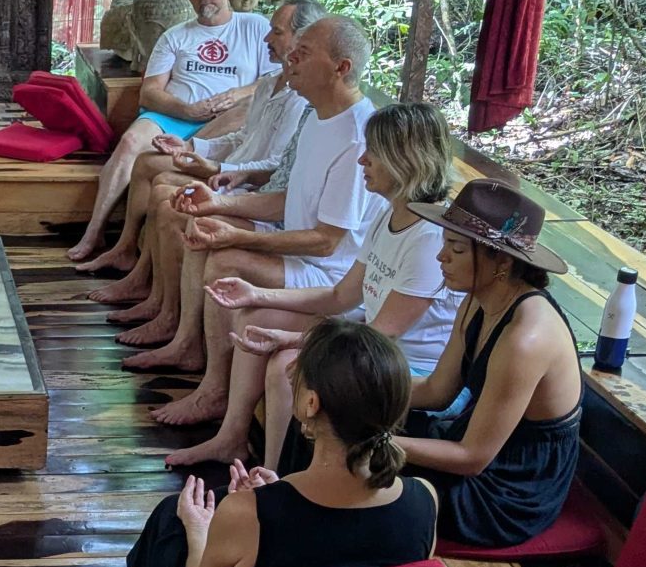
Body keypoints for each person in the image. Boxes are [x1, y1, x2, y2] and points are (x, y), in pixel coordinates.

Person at [93, 320, 438, 567]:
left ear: (310, 403)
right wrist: (275, 494)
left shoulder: (249, 514)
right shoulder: (424, 500)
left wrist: (199, 527)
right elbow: (352, 564)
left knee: (169, 517)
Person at [171, 101, 461, 469]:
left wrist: (291, 340)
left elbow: (378, 336)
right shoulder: (392, 213)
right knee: (259, 317)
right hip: (370, 339)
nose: (363, 161)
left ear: (405, 159)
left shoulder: (429, 238)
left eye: (374, 152)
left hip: (404, 364)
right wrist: (256, 294)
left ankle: (276, 476)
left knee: (286, 367)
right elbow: (341, 295)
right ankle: (232, 437)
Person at [129, 18, 387, 429]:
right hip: (300, 246)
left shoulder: (357, 136)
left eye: (304, 52)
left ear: (341, 67)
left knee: (225, 259)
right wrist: (220, 203)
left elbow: (326, 242)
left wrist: (236, 232)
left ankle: (213, 391)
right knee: (204, 232)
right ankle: (186, 343)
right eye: (293, 49)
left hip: (328, 273)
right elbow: (289, 199)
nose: (291, 58)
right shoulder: (320, 116)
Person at [82, 0, 324, 289]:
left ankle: (148, 290)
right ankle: (127, 255)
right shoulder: (271, 82)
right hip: (222, 159)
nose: (267, 37)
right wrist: (192, 148)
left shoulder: (303, 99)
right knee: (146, 161)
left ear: (303, 39)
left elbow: (274, 166)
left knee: (166, 196)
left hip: (244, 182)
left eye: (276, 31)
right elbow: (243, 137)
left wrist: (215, 165)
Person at [397, 180, 584, 549]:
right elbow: (437, 391)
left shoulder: (525, 338)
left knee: (365, 473)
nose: (441, 258)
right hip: (474, 441)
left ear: (501, 261)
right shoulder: (475, 301)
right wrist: (355, 393)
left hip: (509, 490)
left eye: (455, 248)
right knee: (331, 426)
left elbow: (472, 458)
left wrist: (383, 443)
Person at [66, 0, 273, 264]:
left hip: (226, 118)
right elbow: (149, 93)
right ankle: (94, 231)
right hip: (175, 113)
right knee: (129, 143)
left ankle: (135, 243)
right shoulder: (176, 36)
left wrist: (237, 94)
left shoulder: (254, 27)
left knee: (243, 110)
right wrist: (187, 109)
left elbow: (271, 83)